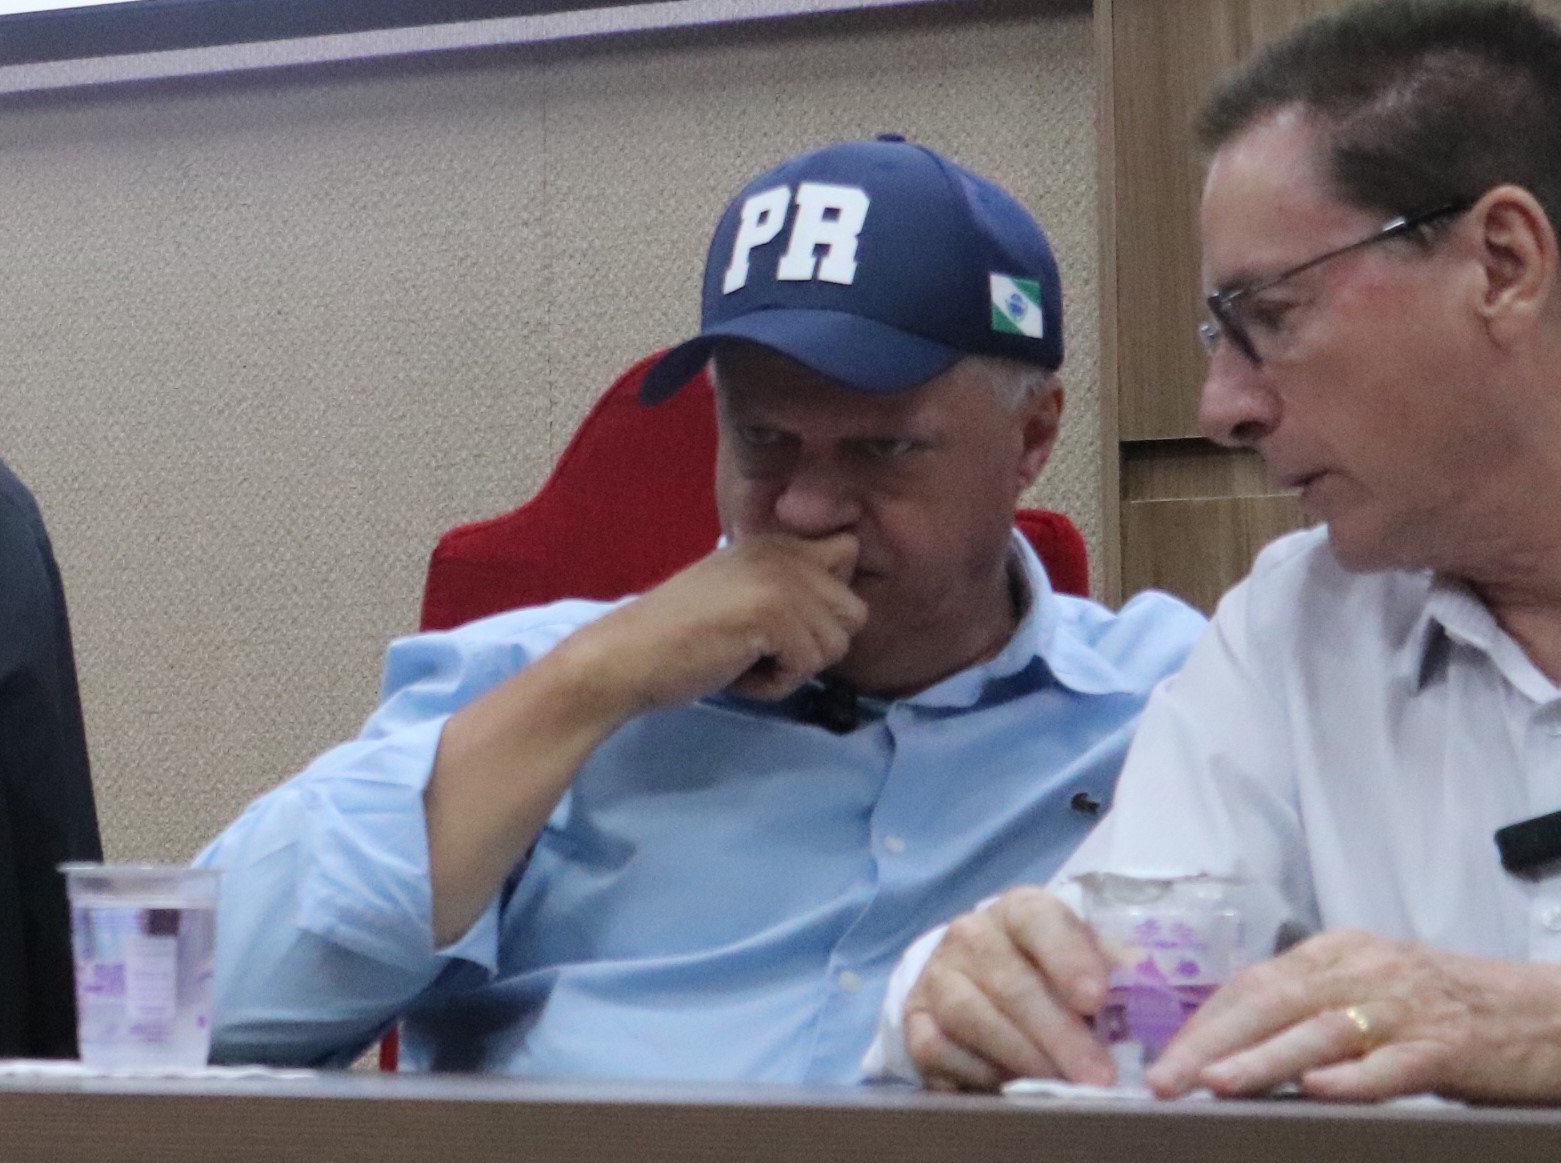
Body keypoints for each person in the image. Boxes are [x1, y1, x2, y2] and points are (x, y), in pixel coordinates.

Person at [204, 138, 1201, 1079]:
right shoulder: (534, 683)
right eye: (764, 441)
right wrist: (593, 683)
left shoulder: (1171, 706)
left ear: (1033, 435)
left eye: (883, 449)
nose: (806, 508)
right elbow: (198, 1017)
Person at [894, 0, 1561, 1104]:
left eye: (1272, 316)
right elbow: (1126, 995)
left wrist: (1553, 1021)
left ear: (1502, 263)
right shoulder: (1297, 626)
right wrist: (967, 989)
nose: (1223, 407)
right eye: (1222, 334)